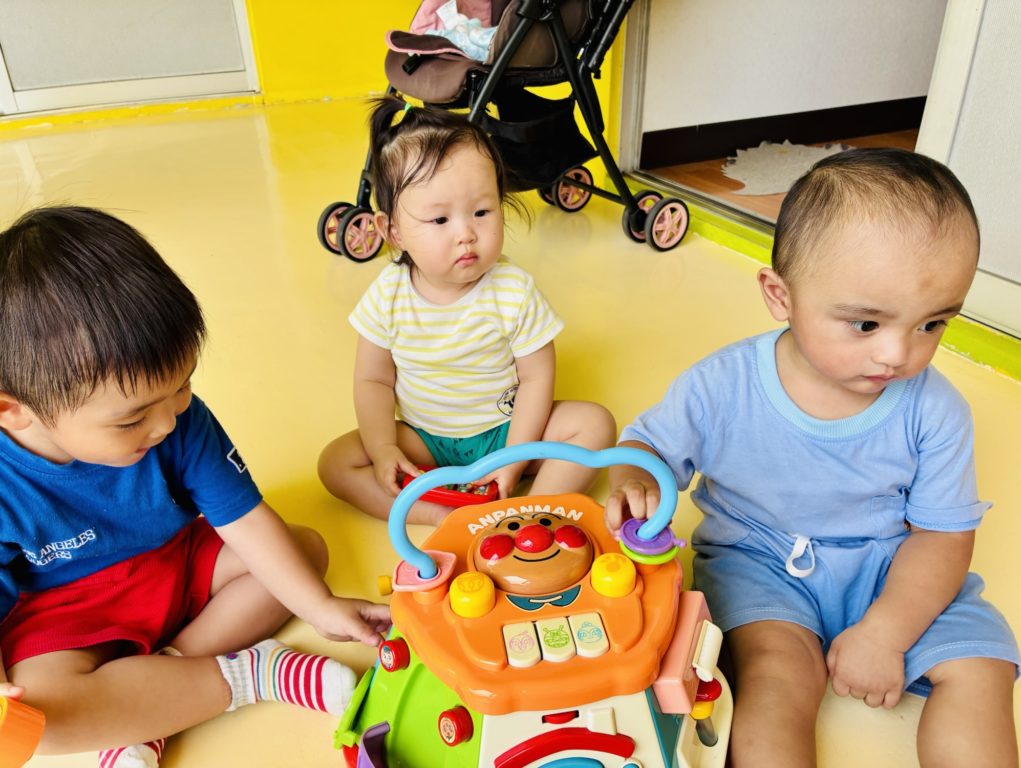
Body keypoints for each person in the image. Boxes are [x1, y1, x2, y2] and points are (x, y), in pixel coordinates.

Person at [605, 149, 1019, 767]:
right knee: (776, 674)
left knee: (984, 666)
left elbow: (940, 538)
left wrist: (887, 631)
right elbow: (648, 448)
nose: (899, 354)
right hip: (759, 561)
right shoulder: (722, 386)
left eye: (933, 324)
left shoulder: (935, 410)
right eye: (865, 324)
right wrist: (636, 475)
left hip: (892, 569)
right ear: (781, 296)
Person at [0, 207, 391, 767]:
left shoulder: (177, 419)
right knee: (39, 717)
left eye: (181, 388)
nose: (165, 425)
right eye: (131, 420)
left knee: (302, 553)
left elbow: (246, 520)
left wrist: (323, 610)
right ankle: (253, 673)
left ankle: (156, 697)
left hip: (177, 568)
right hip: (68, 619)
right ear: (14, 412)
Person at [318, 98, 615, 525]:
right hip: (426, 439)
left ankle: (526, 514)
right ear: (392, 232)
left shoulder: (514, 290)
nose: (466, 234)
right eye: (439, 220)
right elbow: (373, 380)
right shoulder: (387, 296)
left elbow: (536, 378)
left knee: (594, 425)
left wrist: (513, 460)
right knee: (336, 462)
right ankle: (439, 516)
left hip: (507, 431)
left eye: (482, 211)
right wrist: (385, 449)